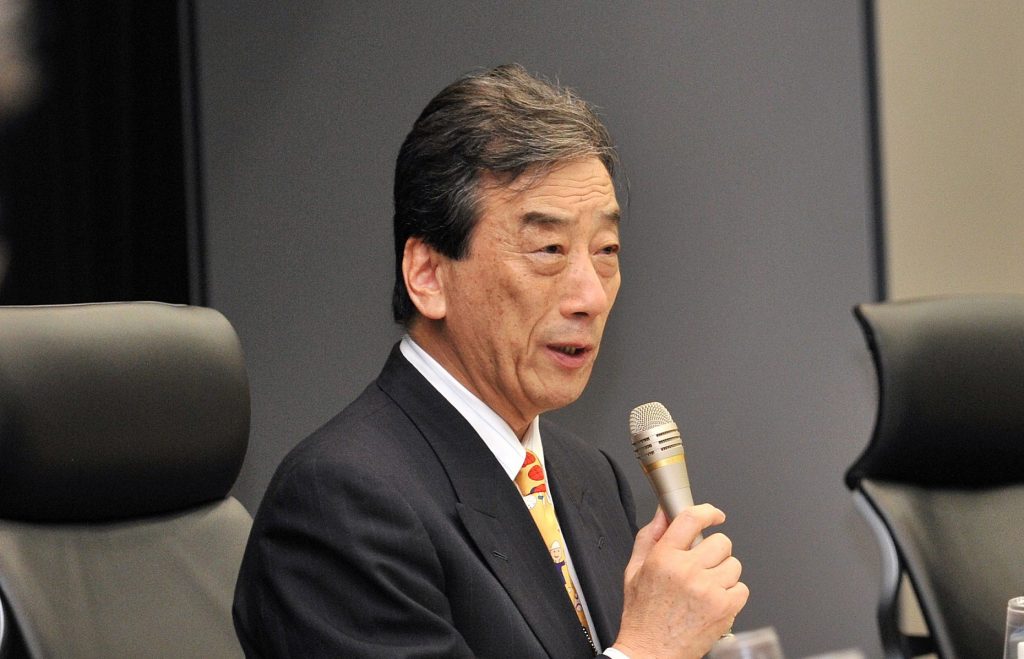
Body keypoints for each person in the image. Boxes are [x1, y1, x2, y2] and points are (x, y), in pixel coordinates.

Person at [233, 63, 748, 658]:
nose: (591, 295)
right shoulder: (341, 504)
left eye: (606, 250)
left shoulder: (589, 477)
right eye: (548, 249)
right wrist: (650, 650)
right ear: (428, 276)